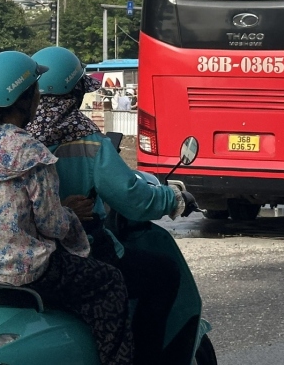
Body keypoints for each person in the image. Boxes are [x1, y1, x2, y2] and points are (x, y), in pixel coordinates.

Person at [0, 51, 134, 365]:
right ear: (23, 99)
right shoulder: (29, 151)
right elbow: (52, 225)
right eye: (36, 92)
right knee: (109, 282)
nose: (40, 99)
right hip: (16, 267)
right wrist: (69, 211)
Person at [29, 46, 196, 365]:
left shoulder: (12, 138)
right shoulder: (87, 141)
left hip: (26, 253)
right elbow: (133, 198)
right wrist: (173, 198)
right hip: (80, 251)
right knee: (163, 274)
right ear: (74, 95)